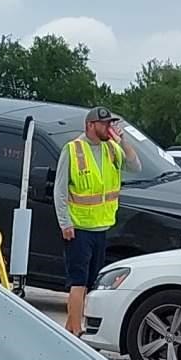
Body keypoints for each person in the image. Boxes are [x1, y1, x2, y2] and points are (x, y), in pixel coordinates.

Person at [59, 107, 140, 337]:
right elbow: (61, 190)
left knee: (91, 279)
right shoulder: (73, 150)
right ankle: (75, 330)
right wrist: (65, 223)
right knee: (78, 280)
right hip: (79, 227)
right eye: (103, 124)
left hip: (102, 226)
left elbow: (135, 167)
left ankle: (71, 325)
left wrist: (123, 141)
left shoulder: (112, 149)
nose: (108, 128)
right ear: (90, 125)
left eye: (109, 124)